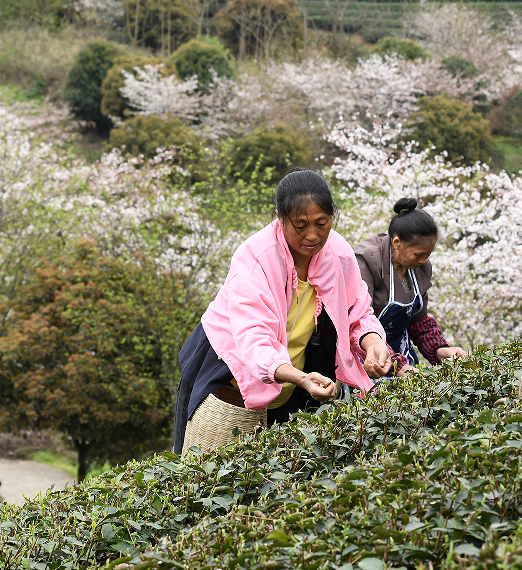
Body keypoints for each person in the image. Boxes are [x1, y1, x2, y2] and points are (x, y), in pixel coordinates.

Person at [173, 170, 394, 455]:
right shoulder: (255, 258)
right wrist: (300, 377)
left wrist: (373, 341)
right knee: (207, 476)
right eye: (300, 226)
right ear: (279, 216)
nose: (312, 235)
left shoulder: (338, 254)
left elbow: (358, 311)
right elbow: (254, 341)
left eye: (322, 223)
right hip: (229, 374)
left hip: (293, 378)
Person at [354, 197, 468, 376]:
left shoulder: (420, 267)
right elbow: (357, 323)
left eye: (427, 255)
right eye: (418, 254)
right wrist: (396, 366)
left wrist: (439, 350)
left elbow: (418, 320)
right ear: (397, 243)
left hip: (401, 353)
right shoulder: (366, 262)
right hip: (366, 357)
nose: (423, 260)